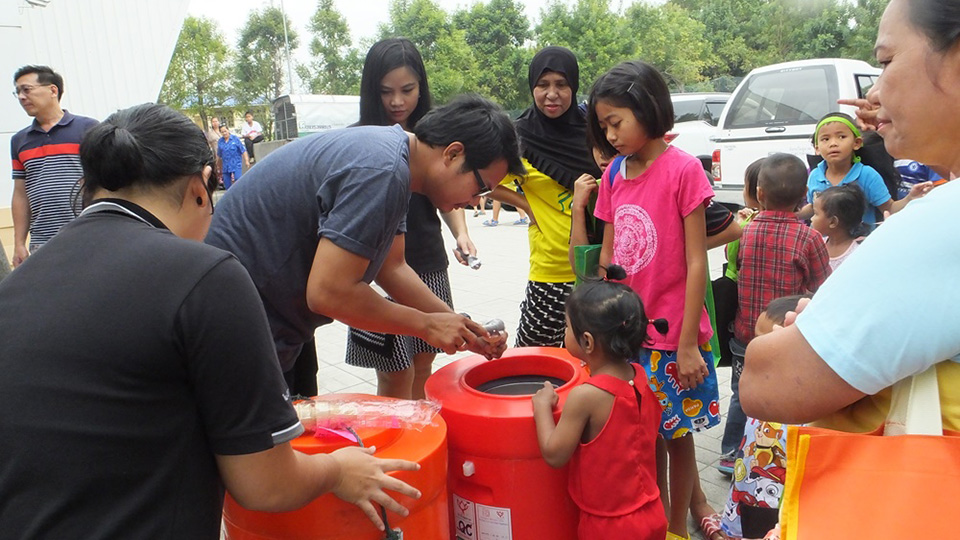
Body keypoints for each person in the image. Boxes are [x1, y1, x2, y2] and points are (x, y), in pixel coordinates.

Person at [0, 103, 420, 537]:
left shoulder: (22, 280)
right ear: (199, 185)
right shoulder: (205, 275)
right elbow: (266, 486)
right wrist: (337, 469)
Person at [205, 94, 523, 393]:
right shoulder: (382, 171)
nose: (473, 202)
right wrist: (426, 326)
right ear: (453, 153)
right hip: (234, 324)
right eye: (480, 188)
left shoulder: (395, 160)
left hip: (260, 317)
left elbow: (393, 267)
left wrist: (461, 328)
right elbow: (329, 292)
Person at [741, 0, 960, 431]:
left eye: (886, 61)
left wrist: (809, 328)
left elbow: (766, 383)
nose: (874, 94)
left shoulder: (939, 225)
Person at [587, 60, 721, 540]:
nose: (611, 135)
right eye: (603, 125)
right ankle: (654, 524)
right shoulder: (615, 174)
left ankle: (675, 529)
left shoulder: (683, 170)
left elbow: (696, 262)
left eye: (616, 122)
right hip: (627, 336)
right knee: (646, 439)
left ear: (647, 108)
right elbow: (606, 256)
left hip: (672, 336)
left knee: (678, 438)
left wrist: (688, 344)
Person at [344, 38, 479, 399]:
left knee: (423, 363)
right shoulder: (360, 139)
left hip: (427, 261)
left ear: (422, 86)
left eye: (407, 90)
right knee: (393, 373)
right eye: (386, 92)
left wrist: (461, 234)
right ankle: (392, 445)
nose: (397, 102)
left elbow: (447, 198)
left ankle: (420, 441)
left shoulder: (435, 136)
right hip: (374, 272)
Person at [533, 264, 668, 539]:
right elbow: (656, 443)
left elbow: (554, 454)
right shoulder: (641, 379)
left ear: (588, 342)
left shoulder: (587, 396)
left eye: (567, 327)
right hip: (651, 512)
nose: (564, 333)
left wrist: (541, 407)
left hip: (609, 526)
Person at [491, 46, 602, 347]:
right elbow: (483, 182)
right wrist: (525, 204)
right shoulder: (517, 137)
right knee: (536, 361)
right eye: (543, 85)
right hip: (550, 270)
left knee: (593, 364)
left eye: (561, 85)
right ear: (532, 88)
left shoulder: (595, 131)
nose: (551, 94)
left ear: (574, 87)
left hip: (600, 266)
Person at [719, 296, 808, 540]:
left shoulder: (808, 404)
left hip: (774, 503)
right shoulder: (762, 388)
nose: (754, 349)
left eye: (764, 341)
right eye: (754, 340)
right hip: (747, 487)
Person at [10, 65, 98, 267]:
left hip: (88, 234)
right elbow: (20, 193)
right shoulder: (19, 141)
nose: (22, 97)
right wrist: (19, 243)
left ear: (52, 90)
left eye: (27, 89)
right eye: (18, 92)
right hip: (43, 242)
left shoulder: (89, 128)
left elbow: (106, 180)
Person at [798, 112, 930, 230]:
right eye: (825, 139)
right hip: (824, 248)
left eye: (841, 137)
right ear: (817, 147)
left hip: (860, 244)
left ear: (856, 143)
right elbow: (812, 207)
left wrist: (909, 198)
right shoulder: (815, 175)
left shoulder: (867, 175)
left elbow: (889, 208)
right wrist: (792, 213)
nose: (833, 143)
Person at [715, 158, 764, 474]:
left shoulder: (744, 229)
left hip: (743, 330)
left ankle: (730, 453)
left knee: (739, 392)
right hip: (780, 334)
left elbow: (730, 262)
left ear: (753, 191)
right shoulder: (805, 232)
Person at [809, 184, 867, 270]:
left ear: (833, 222)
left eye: (816, 214)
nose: (811, 218)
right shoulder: (817, 246)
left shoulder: (856, 253)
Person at [217, 124, 249, 189]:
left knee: (238, 179)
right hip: (226, 165)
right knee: (227, 183)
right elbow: (219, 155)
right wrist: (218, 166)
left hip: (236, 163)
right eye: (222, 132)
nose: (224, 133)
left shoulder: (235, 139)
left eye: (225, 131)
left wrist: (246, 161)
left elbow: (243, 150)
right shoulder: (220, 141)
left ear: (228, 130)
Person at [205, 116, 223, 186]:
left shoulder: (222, 130)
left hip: (224, 151)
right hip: (215, 151)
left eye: (216, 121)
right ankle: (220, 181)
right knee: (217, 166)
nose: (215, 123)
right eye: (213, 122)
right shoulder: (210, 133)